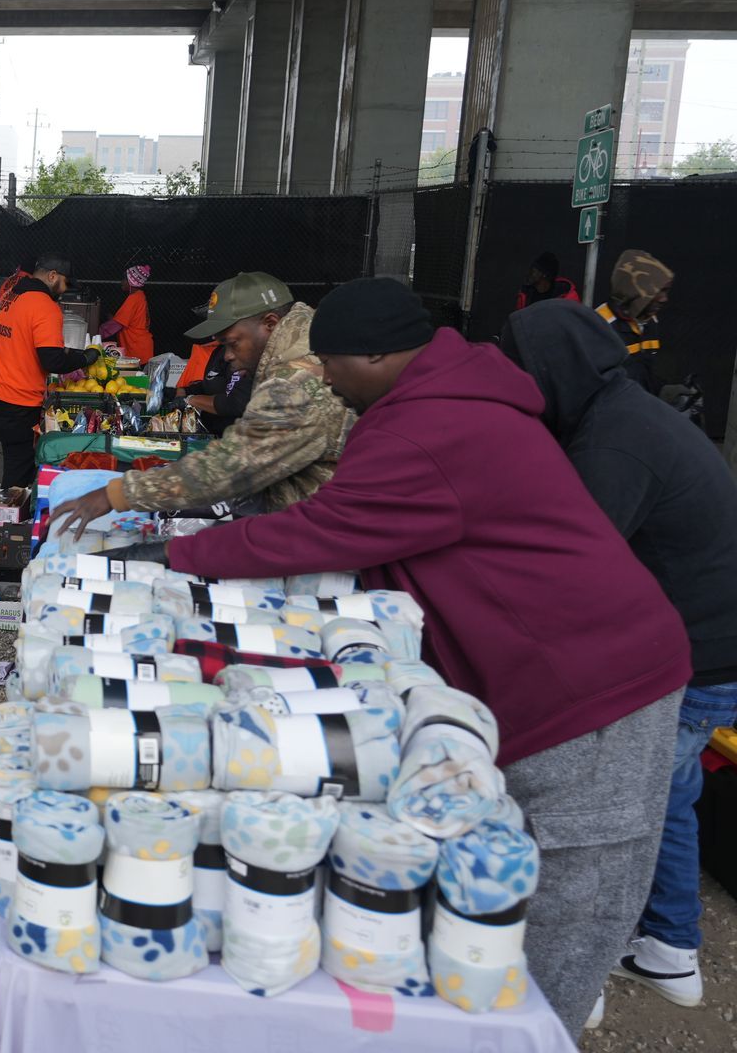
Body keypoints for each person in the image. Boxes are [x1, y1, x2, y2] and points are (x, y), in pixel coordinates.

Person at [160, 276, 690, 1038]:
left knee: (557, 912)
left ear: (377, 354)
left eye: (333, 365)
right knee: (502, 894)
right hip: (544, 678)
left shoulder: (430, 429)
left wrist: (174, 552)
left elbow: (320, 529)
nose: (329, 385)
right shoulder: (437, 404)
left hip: (596, 688)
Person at [500, 300, 737, 1020]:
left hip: (692, 658)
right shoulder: (622, 415)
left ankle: (587, 976)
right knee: (665, 801)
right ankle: (668, 948)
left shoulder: (615, 443)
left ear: (553, 371)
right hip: (714, 653)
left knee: (610, 818)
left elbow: (573, 566)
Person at [55, 272, 349, 531]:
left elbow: (230, 467)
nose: (229, 357)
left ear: (270, 324)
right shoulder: (304, 352)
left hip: (322, 536)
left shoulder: (295, 381)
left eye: (232, 343)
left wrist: (117, 494)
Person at [0, 251, 102, 491]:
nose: (64, 290)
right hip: (16, 403)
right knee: (17, 471)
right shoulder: (46, 307)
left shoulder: (10, 295)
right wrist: (85, 357)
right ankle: (12, 521)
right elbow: (52, 361)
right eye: (65, 283)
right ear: (52, 276)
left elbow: (21, 340)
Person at [599, 249, 671, 394]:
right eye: (656, 290)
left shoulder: (650, 322)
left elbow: (643, 375)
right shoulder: (600, 325)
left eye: (665, 290)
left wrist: (664, 390)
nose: (664, 298)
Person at [101, 263, 155, 362]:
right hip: (141, 347)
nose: (122, 282)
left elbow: (117, 324)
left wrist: (96, 333)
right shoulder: (140, 296)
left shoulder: (133, 299)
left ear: (131, 282)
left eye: (124, 279)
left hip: (137, 348)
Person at [515, 251, 579, 311]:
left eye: (533, 271)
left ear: (544, 274)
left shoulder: (567, 297)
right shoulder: (526, 295)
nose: (529, 274)